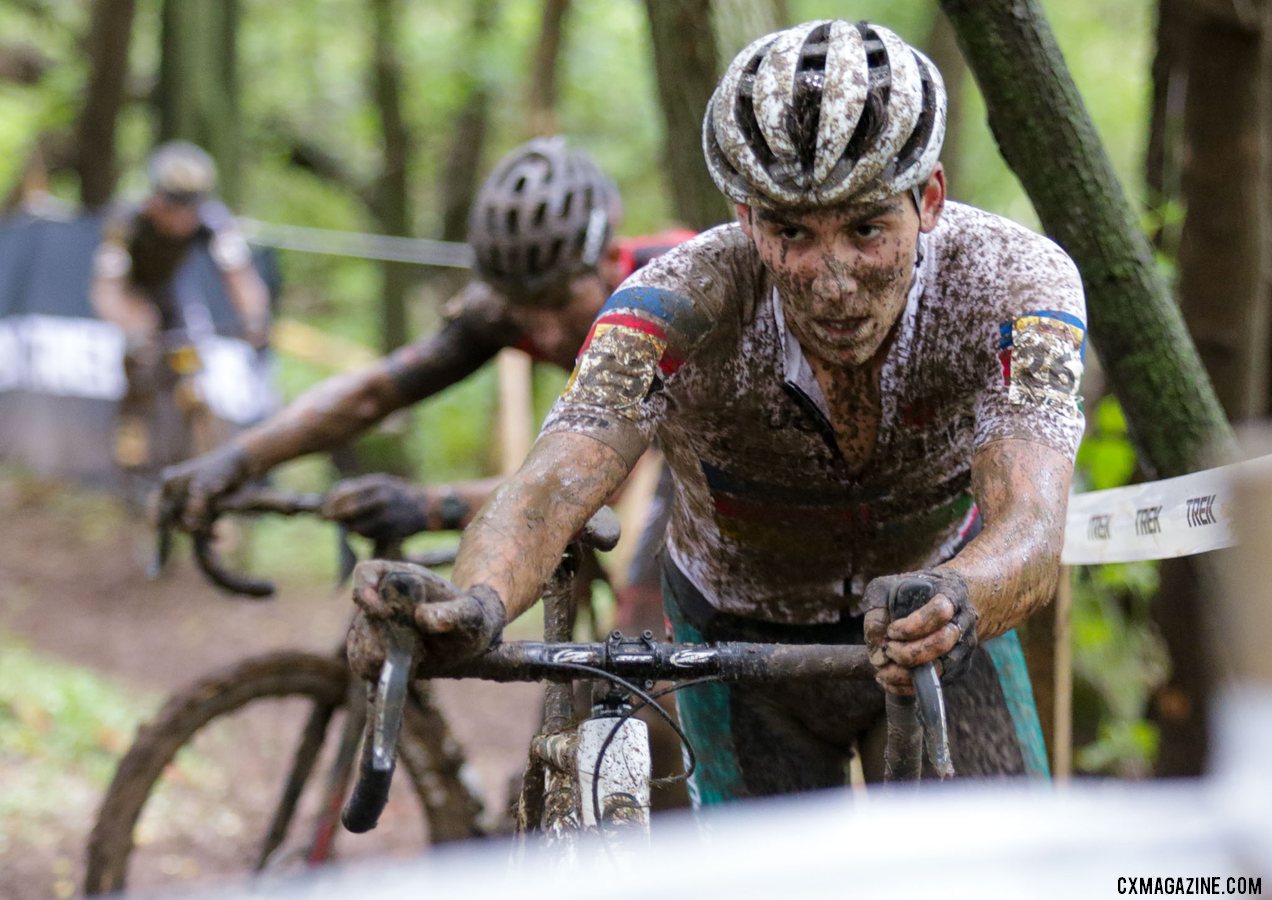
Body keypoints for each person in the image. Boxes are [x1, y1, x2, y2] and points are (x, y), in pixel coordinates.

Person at [348, 20, 1087, 801]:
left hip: (940, 621)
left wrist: (961, 596)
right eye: (791, 231)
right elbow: (550, 486)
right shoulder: (672, 301)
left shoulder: (1018, 284)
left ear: (929, 197)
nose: (832, 281)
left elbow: (1032, 521)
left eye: (867, 228)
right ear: (743, 215)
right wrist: (474, 602)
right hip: (738, 639)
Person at [160, 135, 692, 570]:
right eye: (523, 306)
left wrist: (430, 506)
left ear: (605, 258)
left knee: (652, 642)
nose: (544, 330)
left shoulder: (661, 291)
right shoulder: (502, 311)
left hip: (720, 446)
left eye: (557, 302)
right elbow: (372, 395)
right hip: (630, 440)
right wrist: (235, 462)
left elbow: (597, 480)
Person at [91, 141, 272, 473]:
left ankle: (202, 465)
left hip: (172, 300)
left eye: (192, 207)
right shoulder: (127, 222)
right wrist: (131, 324)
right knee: (140, 369)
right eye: (175, 207)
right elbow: (107, 290)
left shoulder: (211, 221)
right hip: (134, 300)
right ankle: (130, 455)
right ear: (157, 199)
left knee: (192, 378)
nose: (184, 218)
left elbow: (240, 278)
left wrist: (255, 318)